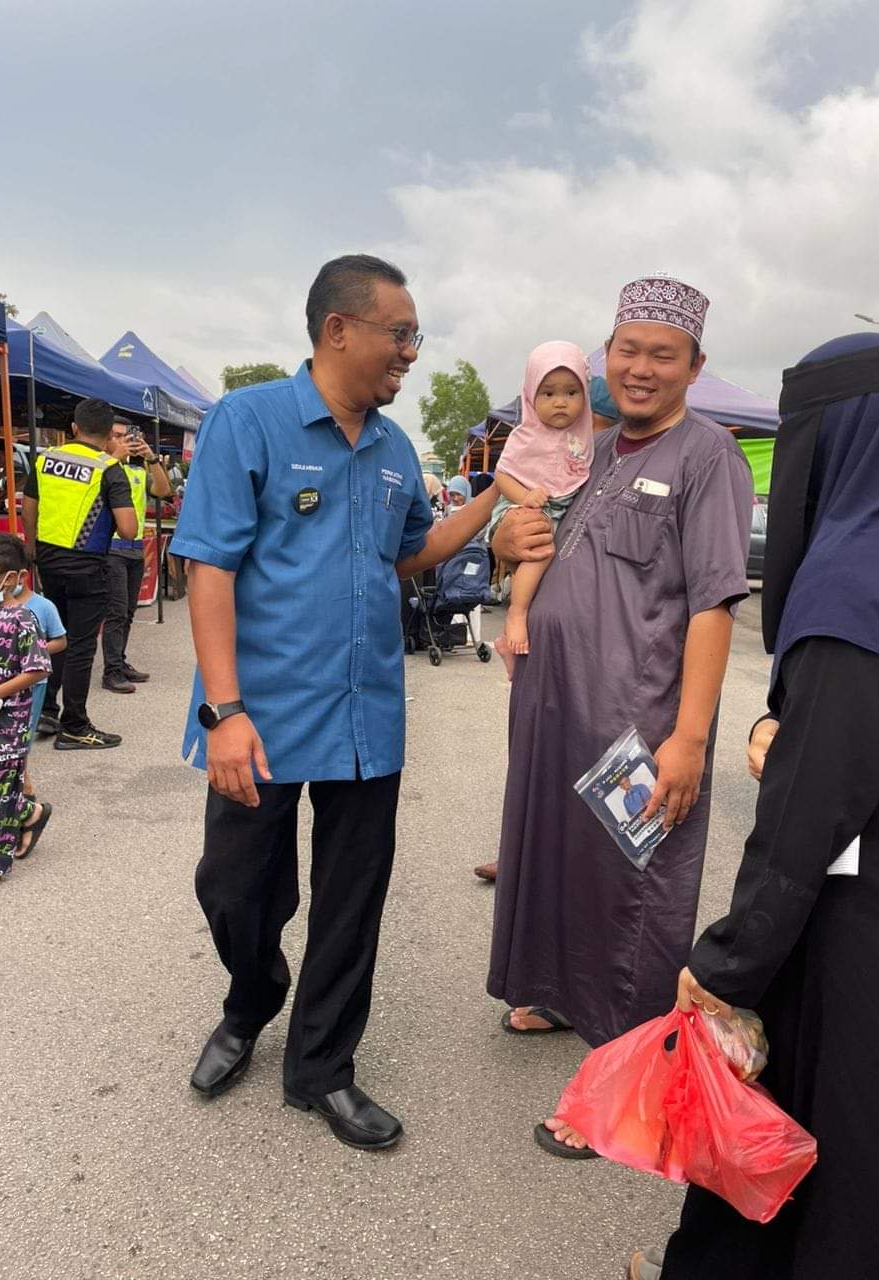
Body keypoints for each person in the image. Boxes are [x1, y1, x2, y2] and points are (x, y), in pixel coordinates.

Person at [629, 332, 879, 1280]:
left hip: (871, 936)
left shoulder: (858, 589)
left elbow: (804, 829)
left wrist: (723, 965)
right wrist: (800, 732)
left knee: (845, 1167)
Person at [173, 253, 497, 1151]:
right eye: (402, 335)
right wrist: (223, 713)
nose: (411, 354)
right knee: (235, 893)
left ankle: (320, 1068)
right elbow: (209, 570)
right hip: (262, 718)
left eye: (415, 337)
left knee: (352, 901)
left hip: (366, 718)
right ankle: (251, 999)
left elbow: (409, 551)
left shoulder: (394, 448)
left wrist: (496, 503)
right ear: (336, 330)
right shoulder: (250, 422)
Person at [488, 276, 753, 1153]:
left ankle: (626, 1097)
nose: (640, 369)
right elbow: (535, 534)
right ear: (606, 356)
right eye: (628, 350)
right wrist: (504, 542)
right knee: (574, 872)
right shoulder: (595, 450)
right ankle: (569, 1001)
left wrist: (689, 739)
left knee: (638, 899)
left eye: (663, 356)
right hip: (563, 716)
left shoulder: (705, 455)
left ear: (695, 366)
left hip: (639, 728)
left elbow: (715, 603)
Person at [21, 398, 136, 750]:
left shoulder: (44, 459)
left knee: (55, 636)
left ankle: (46, 709)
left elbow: (29, 507)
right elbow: (129, 530)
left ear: (74, 427)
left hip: (49, 562)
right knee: (81, 646)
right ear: (107, 435)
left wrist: (33, 548)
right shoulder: (109, 469)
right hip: (88, 566)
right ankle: (74, 725)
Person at [491, 342, 593, 659]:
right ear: (531, 395)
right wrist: (526, 496)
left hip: (559, 509)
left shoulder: (584, 434)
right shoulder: (526, 435)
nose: (560, 403)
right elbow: (502, 475)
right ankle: (516, 613)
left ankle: (511, 645)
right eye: (548, 394)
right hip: (528, 507)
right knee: (540, 550)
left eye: (571, 393)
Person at [0, 534, 53, 889]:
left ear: (9, 578)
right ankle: (31, 812)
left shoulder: (21, 619)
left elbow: (39, 668)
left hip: (6, 722)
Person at [101, 416, 173, 693]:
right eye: (116, 436)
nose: (123, 441)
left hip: (135, 549)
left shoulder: (136, 471)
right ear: (105, 439)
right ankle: (112, 671)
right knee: (116, 612)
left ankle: (119, 662)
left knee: (128, 612)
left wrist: (151, 458)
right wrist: (114, 458)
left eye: (126, 436)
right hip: (110, 549)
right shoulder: (101, 467)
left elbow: (163, 491)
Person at [0, 563, 66, 805]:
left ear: (21, 576)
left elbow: (60, 641)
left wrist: (33, 651)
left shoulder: (42, 607)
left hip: (31, 685)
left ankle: (23, 788)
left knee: (21, 735)